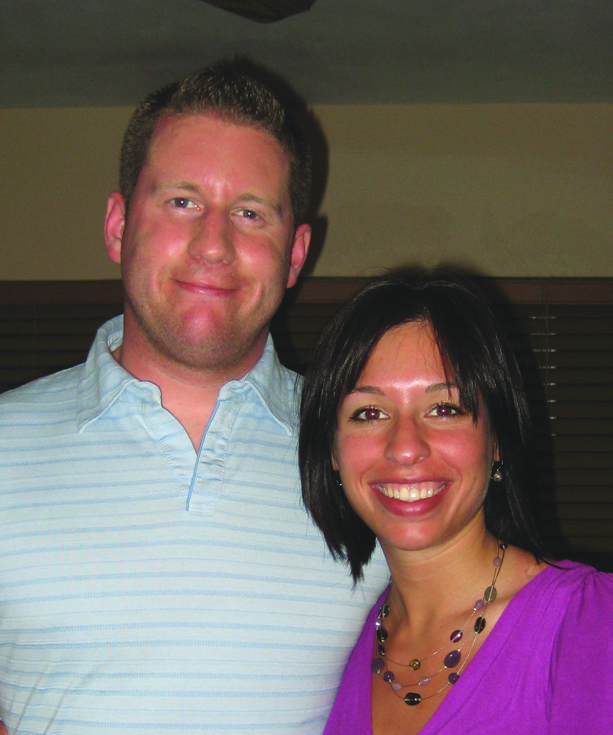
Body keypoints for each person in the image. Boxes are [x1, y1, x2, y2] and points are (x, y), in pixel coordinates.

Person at [0, 62, 389, 734]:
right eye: (181, 201)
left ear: (295, 254)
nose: (215, 244)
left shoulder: (373, 458)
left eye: (249, 213)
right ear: (119, 225)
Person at [299, 271, 613, 735]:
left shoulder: (588, 629)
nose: (405, 447)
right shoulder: (344, 648)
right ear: (331, 453)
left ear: (498, 439)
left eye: (445, 409)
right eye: (369, 413)